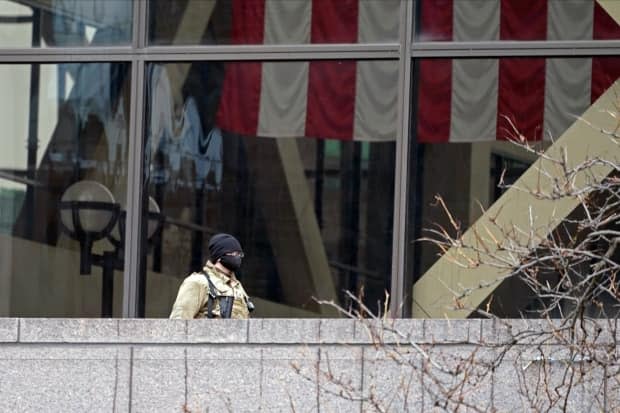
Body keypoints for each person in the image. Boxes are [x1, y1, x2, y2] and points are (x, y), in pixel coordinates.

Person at [169, 233, 254, 319]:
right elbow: (179, 322)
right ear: (220, 256)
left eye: (240, 254)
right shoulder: (199, 282)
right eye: (235, 254)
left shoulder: (238, 288)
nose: (239, 258)